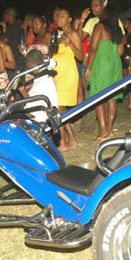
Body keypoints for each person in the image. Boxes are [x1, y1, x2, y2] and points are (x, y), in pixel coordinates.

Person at [85, 6, 125, 140]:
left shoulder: (100, 27)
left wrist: (88, 68)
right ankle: (109, 129)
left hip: (102, 65)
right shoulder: (118, 30)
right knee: (111, 97)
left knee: (98, 97)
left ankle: (103, 130)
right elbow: (120, 52)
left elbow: (93, 49)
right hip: (115, 66)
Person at [53, 8, 83, 152]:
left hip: (68, 75)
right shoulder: (59, 36)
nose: (59, 18)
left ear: (70, 19)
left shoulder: (72, 34)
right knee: (61, 110)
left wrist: (70, 43)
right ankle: (72, 140)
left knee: (59, 109)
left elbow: (81, 57)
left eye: (63, 16)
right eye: (58, 16)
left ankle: (62, 143)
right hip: (58, 75)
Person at [19, 49, 58, 123]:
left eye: (26, 62)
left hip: (38, 123)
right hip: (42, 118)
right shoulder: (44, 76)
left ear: (30, 63)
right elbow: (32, 100)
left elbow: (31, 113)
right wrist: (21, 88)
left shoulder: (42, 82)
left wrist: (13, 115)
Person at [2, 7, 24, 72]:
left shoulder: (11, 27)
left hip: (14, 58)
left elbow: (3, 42)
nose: (4, 17)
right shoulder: (17, 26)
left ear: (9, 15)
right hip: (18, 57)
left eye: (5, 14)